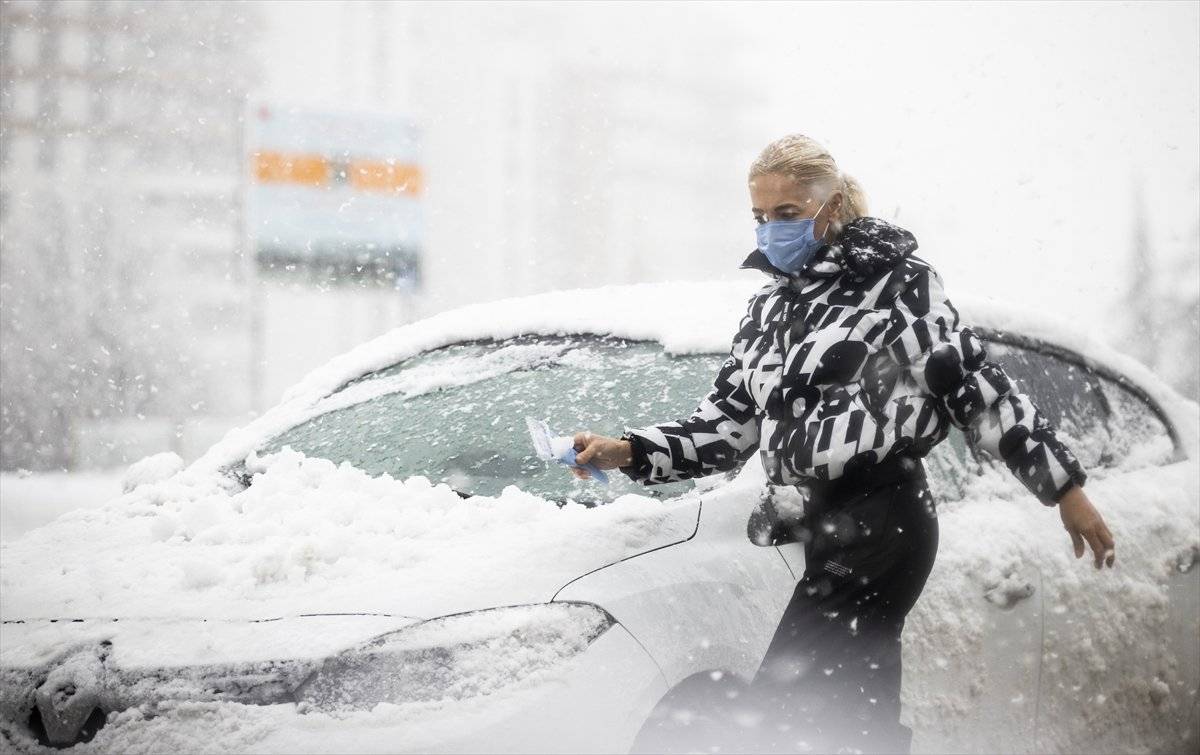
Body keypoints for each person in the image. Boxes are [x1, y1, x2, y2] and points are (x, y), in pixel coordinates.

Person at [567, 133, 1117, 755]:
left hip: (884, 519)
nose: (770, 231)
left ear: (829, 210)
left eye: (788, 215)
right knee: (851, 718)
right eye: (759, 216)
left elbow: (972, 385)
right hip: (820, 525)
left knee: (786, 712)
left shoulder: (896, 285)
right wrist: (627, 451)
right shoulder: (767, 312)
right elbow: (724, 431)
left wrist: (1064, 488)